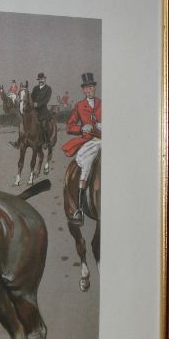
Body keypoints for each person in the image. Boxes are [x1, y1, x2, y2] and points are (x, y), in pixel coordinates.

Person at [61, 73, 102, 225]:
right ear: (83, 90)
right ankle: (79, 209)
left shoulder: (102, 103)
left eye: (91, 87)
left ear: (94, 88)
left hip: (105, 139)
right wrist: (81, 128)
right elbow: (69, 127)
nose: (89, 90)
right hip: (91, 141)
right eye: (86, 88)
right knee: (86, 165)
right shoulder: (79, 106)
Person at [31, 72, 53, 147]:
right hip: (34, 110)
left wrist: (38, 104)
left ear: (45, 79)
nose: (41, 80)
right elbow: (32, 97)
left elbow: (47, 99)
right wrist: (32, 103)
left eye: (42, 79)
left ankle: (46, 141)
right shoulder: (35, 88)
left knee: (43, 124)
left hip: (43, 111)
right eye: (39, 79)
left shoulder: (48, 88)